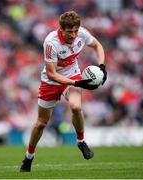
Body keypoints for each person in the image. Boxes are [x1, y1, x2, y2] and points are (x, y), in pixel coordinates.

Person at [20, 11, 107, 172]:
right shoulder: (51, 42)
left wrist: (102, 67)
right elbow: (52, 73)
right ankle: (28, 157)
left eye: (75, 31)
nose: (73, 35)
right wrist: (77, 82)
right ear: (61, 29)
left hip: (72, 74)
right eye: (69, 32)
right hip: (50, 81)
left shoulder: (82, 33)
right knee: (41, 123)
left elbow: (98, 46)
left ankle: (81, 141)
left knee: (75, 107)